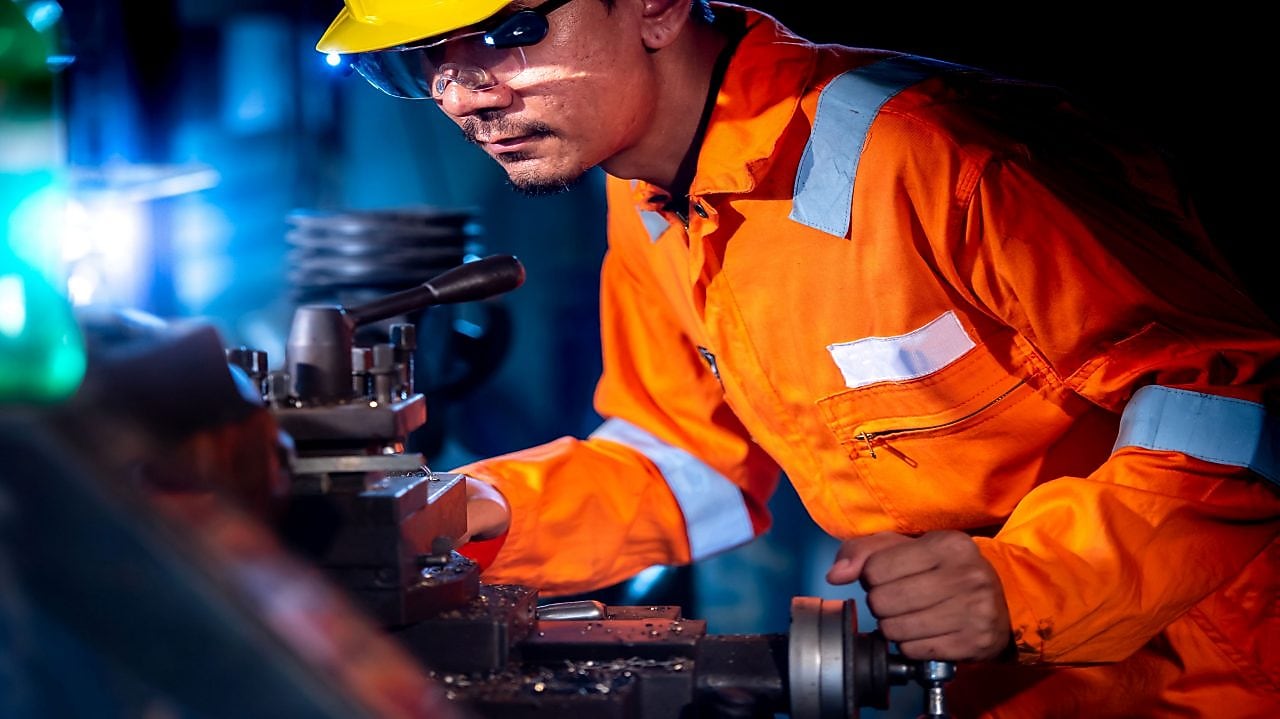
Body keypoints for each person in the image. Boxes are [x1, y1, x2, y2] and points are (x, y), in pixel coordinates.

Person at [315, 1, 1280, 716]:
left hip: (1229, 672)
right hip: (1023, 687)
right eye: (421, 63)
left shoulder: (935, 153)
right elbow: (684, 457)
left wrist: (1034, 579)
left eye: (505, 33)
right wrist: (444, 520)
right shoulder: (649, 199)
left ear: (651, 6)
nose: (463, 93)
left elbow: (1231, 405)